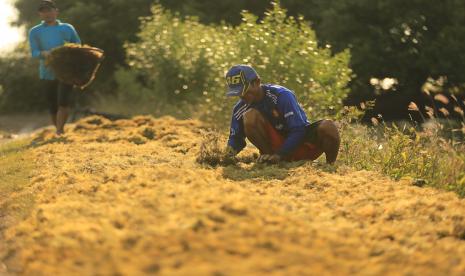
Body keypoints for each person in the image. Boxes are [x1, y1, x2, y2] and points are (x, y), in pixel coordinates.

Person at [225, 64, 340, 164]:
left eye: (244, 91)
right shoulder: (240, 108)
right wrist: (226, 156)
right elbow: (236, 138)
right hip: (274, 153)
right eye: (238, 93)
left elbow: (298, 129)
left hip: (301, 143)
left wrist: (281, 154)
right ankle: (269, 159)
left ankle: (330, 166)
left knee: (328, 126)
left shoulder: (281, 95)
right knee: (249, 116)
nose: (242, 96)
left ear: (257, 82)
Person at [28, 0, 81, 135]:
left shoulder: (67, 28)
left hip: (66, 71)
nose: (47, 13)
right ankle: (58, 129)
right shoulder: (35, 31)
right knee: (52, 105)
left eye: (50, 10)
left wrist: (69, 52)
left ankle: (59, 131)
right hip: (47, 72)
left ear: (56, 11)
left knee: (63, 101)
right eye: (44, 11)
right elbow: (34, 52)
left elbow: (78, 46)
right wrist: (43, 53)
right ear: (40, 14)